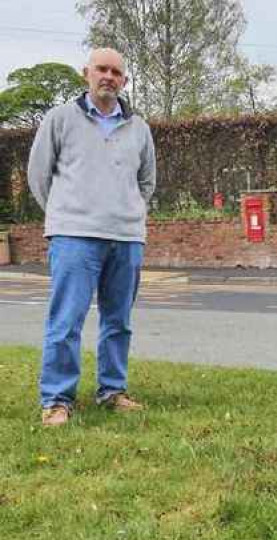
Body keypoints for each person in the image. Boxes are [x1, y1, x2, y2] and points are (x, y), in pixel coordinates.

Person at [27, 48, 156, 427]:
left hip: (126, 237)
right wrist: (66, 214)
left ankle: (112, 391)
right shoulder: (60, 119)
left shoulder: (140, 129)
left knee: (119, 320)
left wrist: (126, 209)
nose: (109, 77)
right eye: (102, 69)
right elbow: (39, 175)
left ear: (124, 81)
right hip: (74, 236)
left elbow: (146, 182)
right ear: (86, 73)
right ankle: (56, 399)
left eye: (117, 72)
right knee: (66, 321)